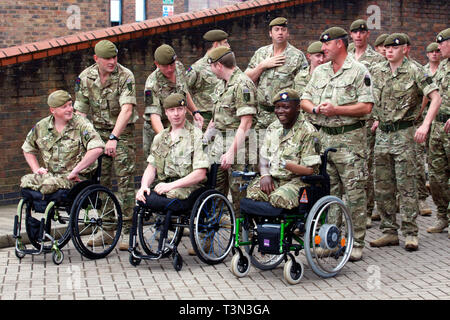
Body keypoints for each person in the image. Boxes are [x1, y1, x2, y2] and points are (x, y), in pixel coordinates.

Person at [300, 26, 374, 261]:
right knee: (328, 193)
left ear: (339, 44)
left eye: (327, 44)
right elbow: (304, 98)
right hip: (324, 140)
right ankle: (332, 240)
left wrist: (336, 110)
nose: (323, 49)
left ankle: (356, 242)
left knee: (354, 194)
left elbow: (366, 107)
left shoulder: (358, 71)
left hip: (350, 141)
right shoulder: (320, 71)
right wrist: (314, 108)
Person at [369, 33, 441, 251]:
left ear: (405, 49)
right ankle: (389, 231)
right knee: (382, 186)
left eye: (394, 47)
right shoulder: (377, 71)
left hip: (404, 135)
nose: (389, 51)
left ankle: (410, 232)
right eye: (387, 47)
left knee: (406, 185)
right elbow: (371, 98)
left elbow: (435, 97)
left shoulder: (415, 71)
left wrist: (425, 124)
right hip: (382, 135)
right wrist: (374, 118)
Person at [74, 40, 138, 250]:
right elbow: (80, 113)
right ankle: (109, 229)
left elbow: (127, 110)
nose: (112, 62)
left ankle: (129, 232)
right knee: (100, 183)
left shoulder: (125, 76)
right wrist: (85, 140)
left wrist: (113, 138)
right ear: (96, 59)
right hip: (96, 134)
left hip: (122, 134)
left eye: (114, 57)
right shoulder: (85, 77)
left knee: (125, 183)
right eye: (107, 58)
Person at [246, 89, 321, 209]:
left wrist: (285, 164)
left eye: (286, 107)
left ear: (297, 108)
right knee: (252, 193)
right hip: (274, 179)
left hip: (297, 181)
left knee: (278, 198)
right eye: (277, 107)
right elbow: (264, 156)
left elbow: (310, 171)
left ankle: (291, 227)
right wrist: (265, 175)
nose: (280, 111)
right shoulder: (273, 127)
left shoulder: (308, 132)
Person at [206, 46, 257, 218]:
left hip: (240, 149)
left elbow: (246, 123)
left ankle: (243, 238)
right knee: (214, 191)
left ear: (219, 65)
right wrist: (205, 141)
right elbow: (216, 118)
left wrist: (231, 153)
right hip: (219, 145)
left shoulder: (243, 85)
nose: (211, 69)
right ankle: (209, 238)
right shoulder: (222, 84)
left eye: (211, 65)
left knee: (239, 197)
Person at [21, 90, 104, 194]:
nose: (70, 109)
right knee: (26, 181)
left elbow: (97, 149)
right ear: (52, 110)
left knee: (48, 185)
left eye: (70, 105)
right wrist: (36, 170)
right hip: (52, 176)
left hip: (76, 178)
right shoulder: (42, 126)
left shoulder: (82, 124)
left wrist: (75, 171)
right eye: (64, 107)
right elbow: (28, 148)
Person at [136, 93, 209, 203]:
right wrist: (143, 186)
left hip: (189, 187)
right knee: (144, 196)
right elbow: (151, 167)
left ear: (185, 110)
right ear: (166, 112)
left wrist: (170, 186)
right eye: (172, 110)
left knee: (170, 195)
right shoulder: (160, 138)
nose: (176, 114)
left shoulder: (196, 136)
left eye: (179, 109)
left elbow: (200, 173)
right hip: (165, 186)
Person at [348, 19, 385, 228]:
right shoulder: (346, 55)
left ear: (367, 34)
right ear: (351, 35)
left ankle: (368, 210)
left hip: (367, 120)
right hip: (346, 118)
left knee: (366, 166)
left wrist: (378, 116)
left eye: (362, 32)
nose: (359, 35)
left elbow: (379, 90)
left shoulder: (376, 59)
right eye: (355, 32)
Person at [245, 17, 307, 131]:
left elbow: (302, 90)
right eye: (276, 29)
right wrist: (262, 66)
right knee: (259, 147)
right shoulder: (261, 54)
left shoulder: (297, 56)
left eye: (283, 29)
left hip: (284, 115)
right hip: (260, 114)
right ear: (270, 33)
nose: (280, 32)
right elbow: (246, 79)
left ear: (287, 33)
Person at [143, 44, 204, 158]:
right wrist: (167, 138)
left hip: (177, 122)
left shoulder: (179, 68)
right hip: (159, 128)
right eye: (165, 66)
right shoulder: (152, 84)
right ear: (157, 64)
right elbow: (154, 117)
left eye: (172, 64)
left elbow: (184, 92)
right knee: (160, 165)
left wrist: (195, 112)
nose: (170, 69)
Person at [426, 28, 450, 238]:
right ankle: (442, 216)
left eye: (443, 43)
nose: (439, 47)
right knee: (436, 176)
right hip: (437, 127)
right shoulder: (443, 66)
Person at [186, 29, 230, 131]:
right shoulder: (197, 68)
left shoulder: (226, 65)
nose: (228, 46)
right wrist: (193, 112)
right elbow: (182, 90)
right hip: (205, 121)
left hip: (225, 118)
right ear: (215, 45)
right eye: (225, 43)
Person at [293, 41, 324, 126]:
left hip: (322, 123)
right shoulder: (300, 77)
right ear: (309, 56)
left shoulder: (330, 76)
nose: (321, 59)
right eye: (318, 56)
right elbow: (295, 102)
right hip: (304, 124)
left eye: (323, 56)